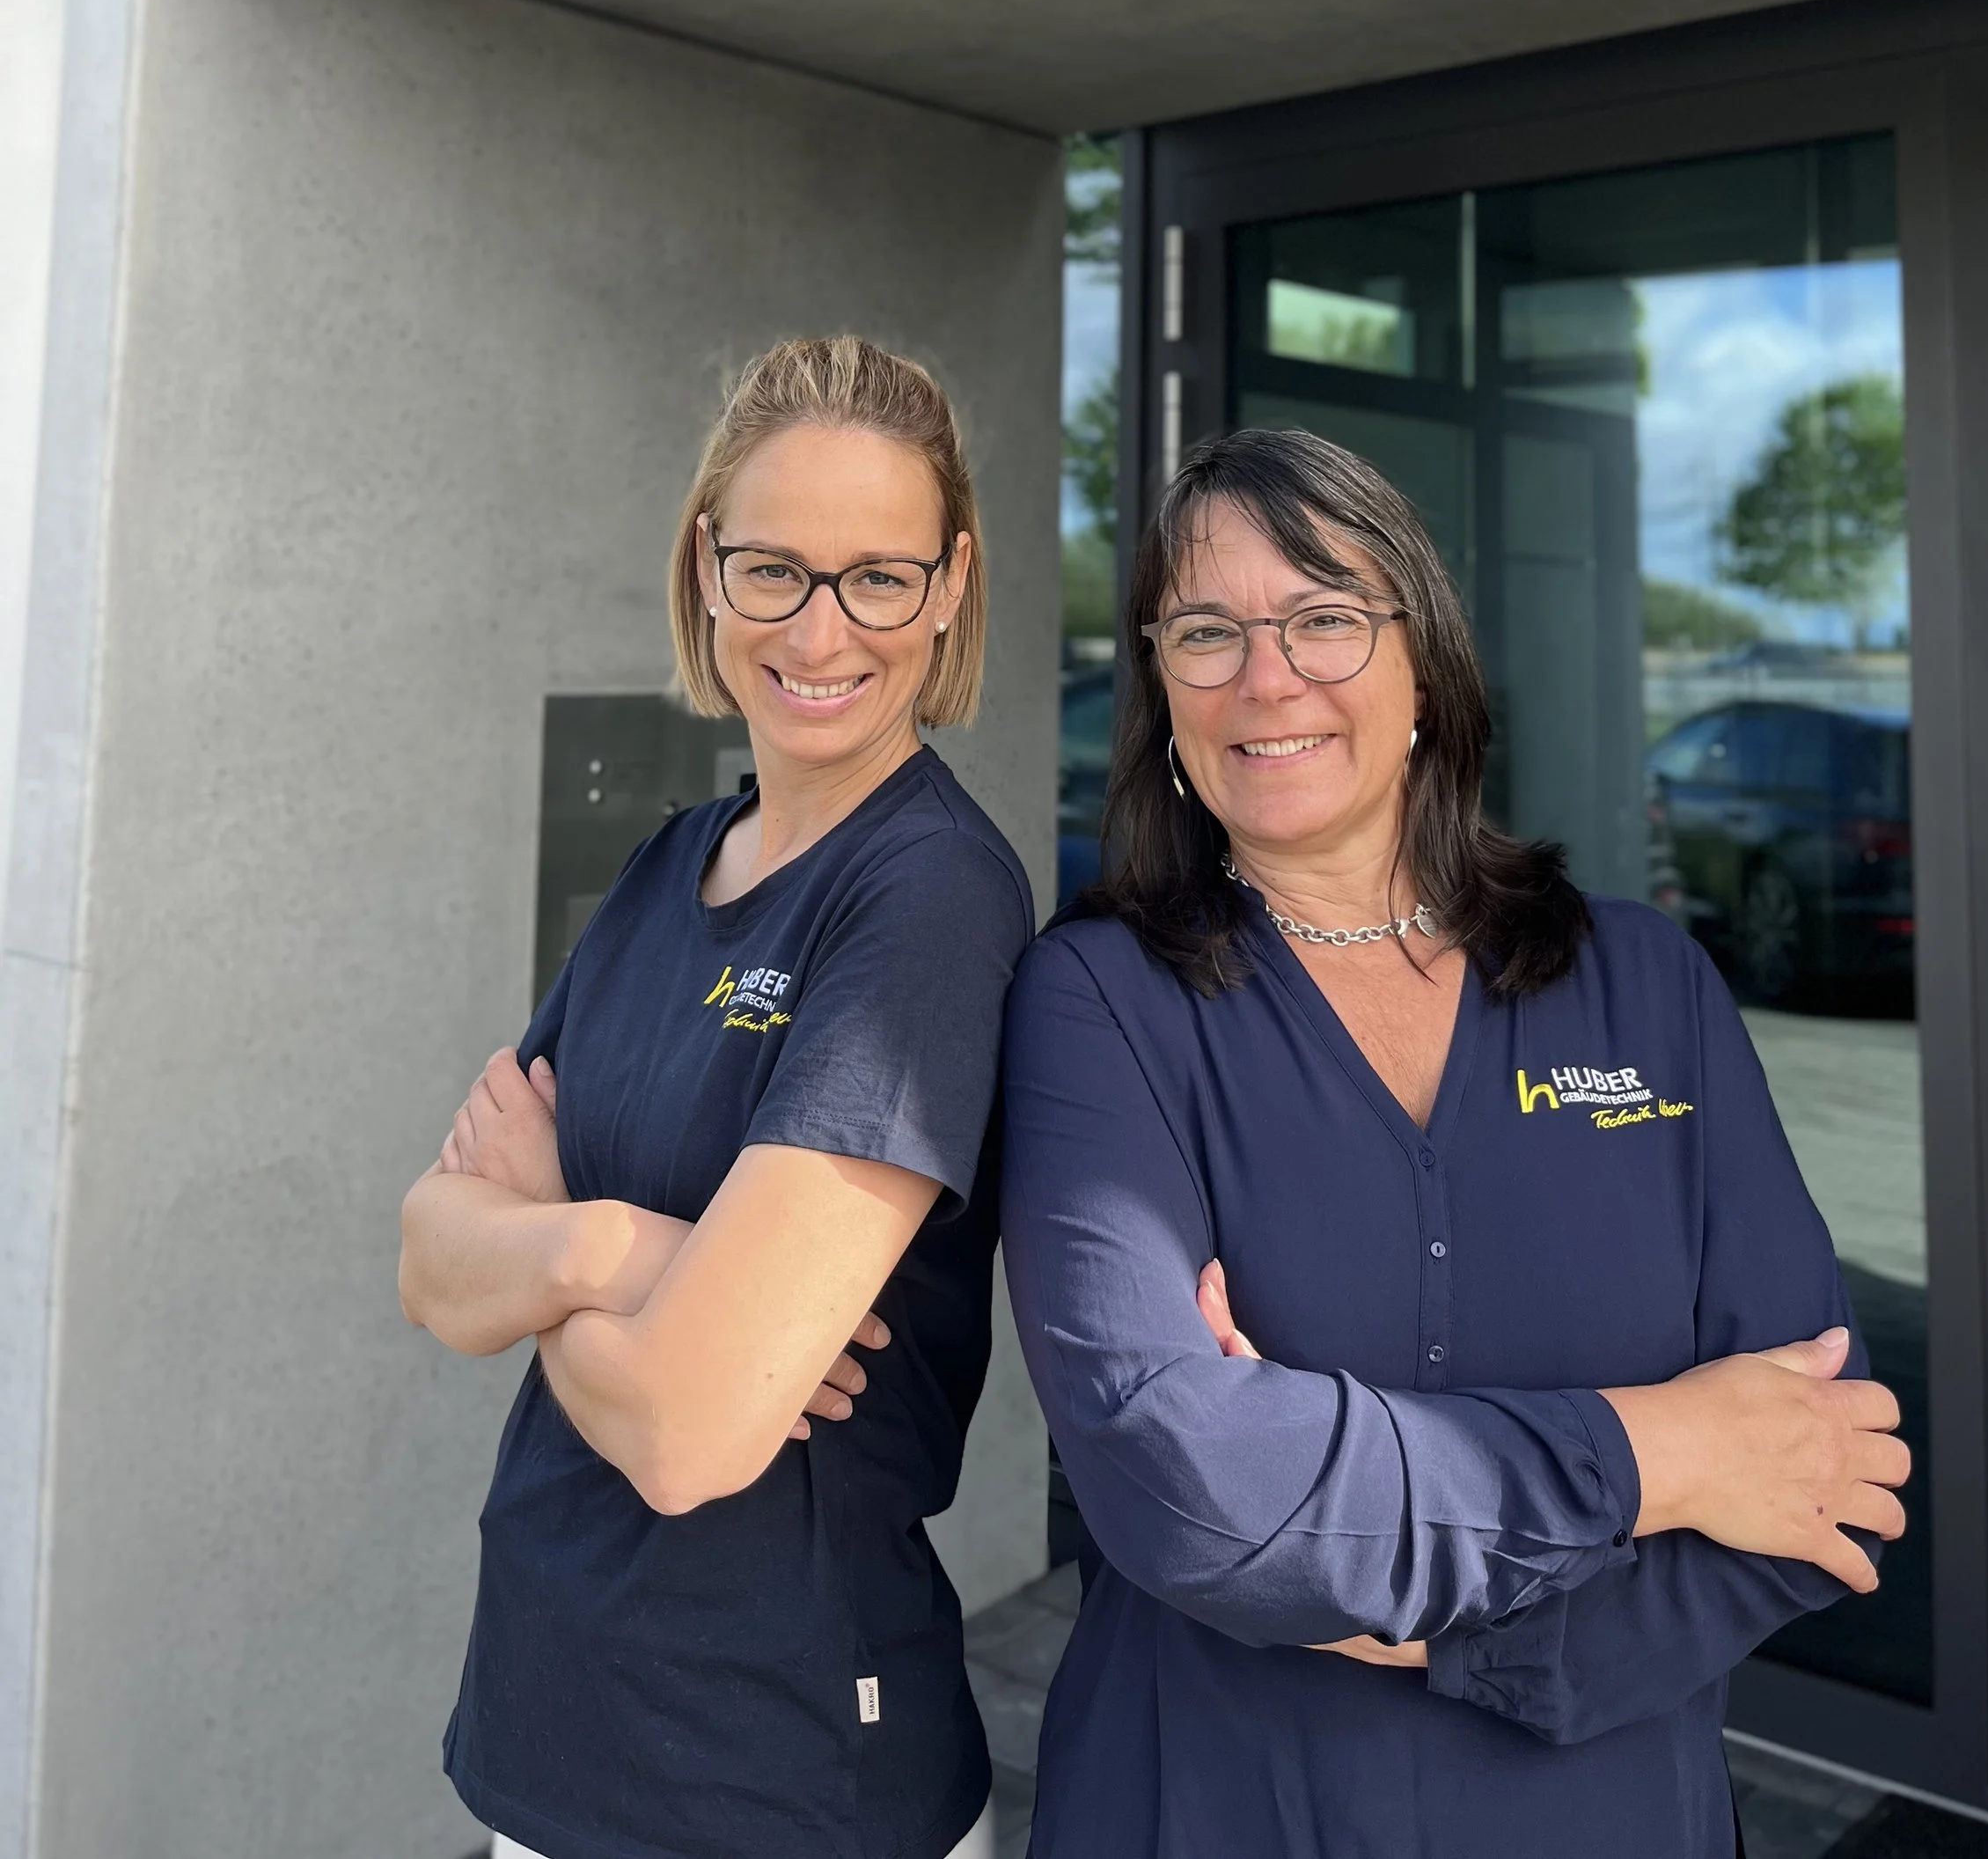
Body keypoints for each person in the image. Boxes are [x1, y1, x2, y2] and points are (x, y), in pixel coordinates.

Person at [1001, 424, 1909, 1859]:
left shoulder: (1649, 984)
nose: (1266, 674)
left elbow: (1825, 1470)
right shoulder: (1099, 1002)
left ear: (1424, 665)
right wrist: (1667, 1449)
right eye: (1206, 631)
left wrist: (1436, 1629)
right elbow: (1187, 1486)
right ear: (1162, 692)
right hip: (1223, 1807)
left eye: (1324, 617)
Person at [400, 337, 1033, 1859]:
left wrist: (541, 1242)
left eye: (878, 577)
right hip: (550, 1733)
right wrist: (620, 1254)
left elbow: (690, 1433)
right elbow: (429, 1256)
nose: (823, 630)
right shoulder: (666, 866)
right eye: (775, 569)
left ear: (948, 586)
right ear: (705, 567)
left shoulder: (926, 902)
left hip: (773, 1771)